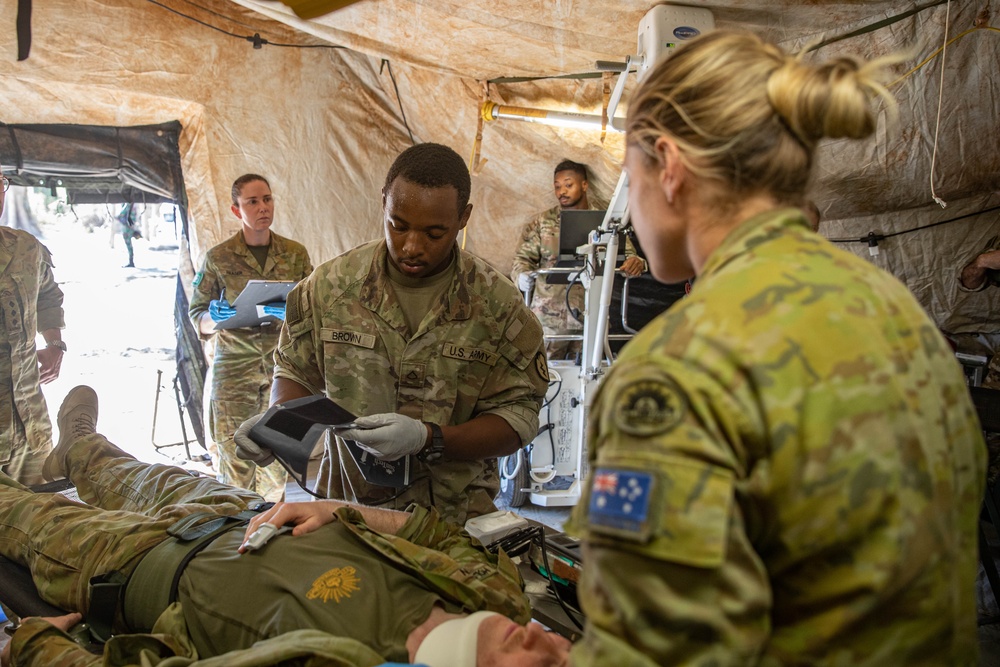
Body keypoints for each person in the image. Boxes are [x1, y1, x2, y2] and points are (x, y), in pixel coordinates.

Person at [565, 30, 986, 666]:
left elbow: (652, 652)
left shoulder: (679, 369)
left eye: (632, 177)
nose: (634, 212)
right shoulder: (895, 309)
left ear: (670, 168)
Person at [0, 386, 572, 667]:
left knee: (13, 512)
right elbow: (439, 535)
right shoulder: (496, 597)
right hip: (243, 512)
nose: (554, 647)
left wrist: (30, 647)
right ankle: (80, 448)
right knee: (125, 468)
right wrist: (342, 512)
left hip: (144, 562)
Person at [239, 144, 548, 523]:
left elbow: (517, 418)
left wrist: (429, 438)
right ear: (383, 201)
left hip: (453, 523)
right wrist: (279, 426)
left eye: (435, 233)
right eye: (397, 225)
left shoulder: (497, 305)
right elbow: (295, 371)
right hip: (345, 512)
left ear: (463, 217)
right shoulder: (331, 287)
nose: (412, 246)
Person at [189, 174, 313, 503]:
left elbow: (315, 305)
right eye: (252, 202)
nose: (262, 208)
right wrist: (213, 319)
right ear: (236, 210)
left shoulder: (295, 254)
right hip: (234, 371)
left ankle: (270, 526)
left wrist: (294, 313)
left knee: (279, 457)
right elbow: (196, 316)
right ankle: (233, 528)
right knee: (234, 459)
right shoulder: (219, 257)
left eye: (267, 199)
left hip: (282, 369)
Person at [511, 160, 645, 360]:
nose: (561, 191)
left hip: (590, 318)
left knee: (584, 377)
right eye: (557, 186)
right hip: (549, 320)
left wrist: (637, 262)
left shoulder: (605, 222)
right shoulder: (542, 222)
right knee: (544, 377)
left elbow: (628, 253)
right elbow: (522, 260)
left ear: (584, 185)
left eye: (568, 184)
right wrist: (521, 276)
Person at [0, 170, 66, 487]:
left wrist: (55, 345)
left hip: (30, 427)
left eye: (0, 183)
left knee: (42, 523)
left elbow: (48, 298)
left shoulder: (25, 249)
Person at [116, 203, 142, 268]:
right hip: (130, 227)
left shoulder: (127, 205)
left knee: (129, 245)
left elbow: (121, 214)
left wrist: (118, 217)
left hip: (127, 228)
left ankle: (131, 261)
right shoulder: (133, 206)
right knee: (129, 246)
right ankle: (131, 261)